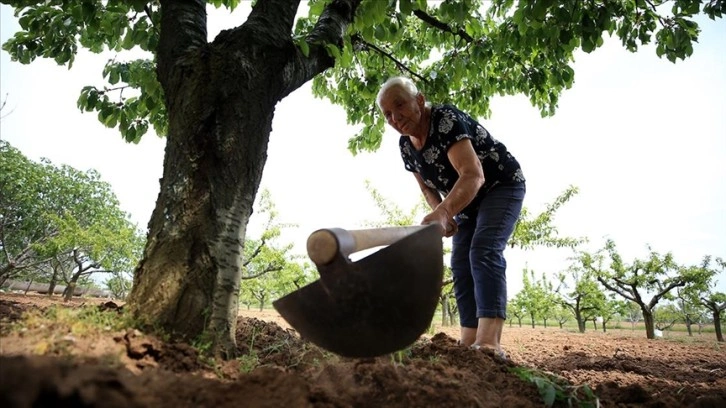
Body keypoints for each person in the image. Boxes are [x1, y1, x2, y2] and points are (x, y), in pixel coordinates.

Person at [376, 76, 525, 357]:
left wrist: (445, 211)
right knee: (460, 261)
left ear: (419, 100)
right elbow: (426, 187)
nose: (395, 117)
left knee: (483, 249)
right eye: (387, 114)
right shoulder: (406, 146)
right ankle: (469, 343)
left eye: (400, 105)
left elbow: (473, 174)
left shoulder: (446, 119)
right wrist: (441, 213)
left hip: (499, 186)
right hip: (466, 202)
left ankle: (490, 342)